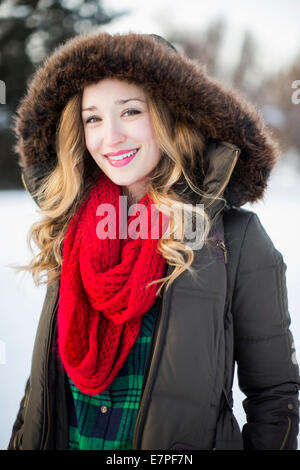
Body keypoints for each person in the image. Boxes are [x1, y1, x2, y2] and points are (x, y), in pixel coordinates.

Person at [8, 31, 300, 451]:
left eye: (129, 111)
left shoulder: (234, 241)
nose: (110, 137)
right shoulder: (70, 230)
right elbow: (41, 385)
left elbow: (274, 399)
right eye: (92, 118)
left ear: (169, 116)